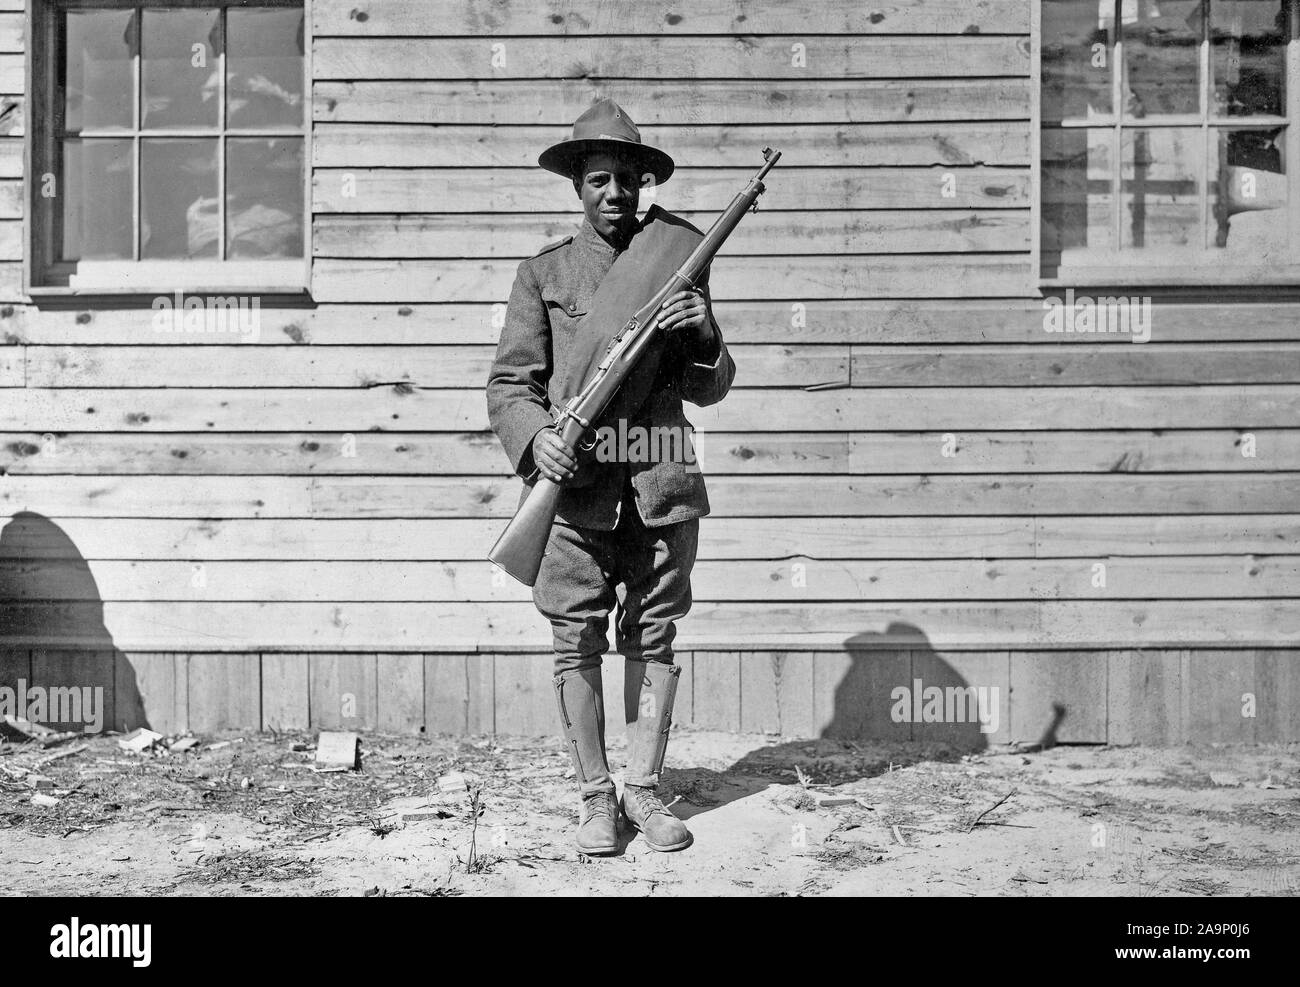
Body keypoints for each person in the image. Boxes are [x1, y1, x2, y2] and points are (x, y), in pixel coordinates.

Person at [486, 99, 735, 854]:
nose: (616, 194)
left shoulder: (677, 262)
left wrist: (702, 332)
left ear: (644, 184)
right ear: (578, 187)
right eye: (600, 179)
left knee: (654, 635)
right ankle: (597, 798)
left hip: (660, 480)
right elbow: (509, 386)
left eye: (629, 179)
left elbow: (712, 384)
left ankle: (646, 791)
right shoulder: (544, 274)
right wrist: (538, 444)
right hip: (579, 488)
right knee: (576, 638)